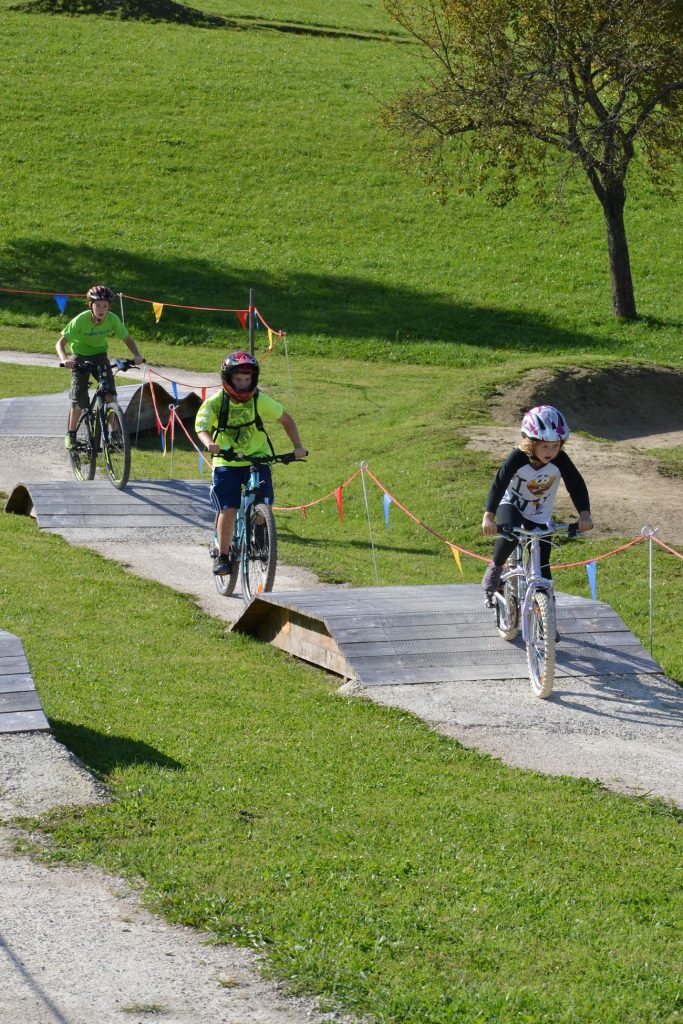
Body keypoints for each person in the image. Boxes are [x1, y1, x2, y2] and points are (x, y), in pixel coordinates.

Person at [195, 350, 307, 575]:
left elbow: (285, 419)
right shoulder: (217, 402)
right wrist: (209, 444)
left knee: (263, 500)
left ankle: (260, 532)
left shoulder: (259, 400)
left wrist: (297, 447)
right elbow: (202, 427)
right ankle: (223, 556)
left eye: (247, 379)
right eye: (238, 379)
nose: (243, 384)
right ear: (227, 379)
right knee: (229, 507)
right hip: (227, 460)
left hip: (258, 456)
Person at [481, 405, 593, 593]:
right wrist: (488, 517)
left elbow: (576, 485)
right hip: (512, 504)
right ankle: (496, 566)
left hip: (539, 512)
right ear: (532, 443)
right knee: (511, 535)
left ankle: (544, 602)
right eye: (544, 446)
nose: (550, 451)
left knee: (542, 563)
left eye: (555, 446)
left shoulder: (560, 460)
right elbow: (499, 484)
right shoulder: (517, 457)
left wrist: (584, 515)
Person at [56, 285, 145, 449]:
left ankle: (115, 435)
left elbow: (126, 338)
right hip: (79, 357)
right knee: (78, 399)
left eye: (105, 306)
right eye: (98, 305)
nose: (101, 309)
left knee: (109, 394)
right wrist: (65, 359)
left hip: (100, 356)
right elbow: (60, 344)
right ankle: (71, 435)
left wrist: (137, 355)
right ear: (91, 305)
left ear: (109, 307)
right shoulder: (80, 320)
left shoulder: (112, 319)